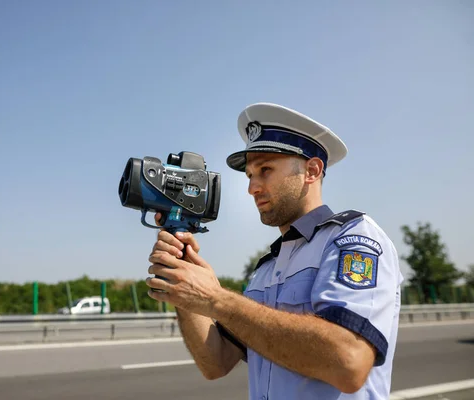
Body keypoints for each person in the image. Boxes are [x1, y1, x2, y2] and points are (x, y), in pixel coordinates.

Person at [146, 102, 403, 400]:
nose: (252, 187)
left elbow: (348, 363)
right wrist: (185, 287)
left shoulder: (352, 237)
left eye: (265, 170)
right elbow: (215, 362)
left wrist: (215, 299)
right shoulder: (267, 268)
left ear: (311, 170)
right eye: (250, 175)